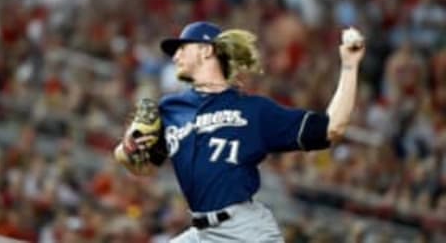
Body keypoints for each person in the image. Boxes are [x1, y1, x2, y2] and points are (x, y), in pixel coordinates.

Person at [114, 21, 365, 242]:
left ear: (206, 50)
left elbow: (333, 128)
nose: (175, 56)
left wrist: (349, 66)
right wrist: (128, 147)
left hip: (244, 231)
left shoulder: (254, 111)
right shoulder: (170, 108)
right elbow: (140, 167)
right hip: (202, 233)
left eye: (182, 48)